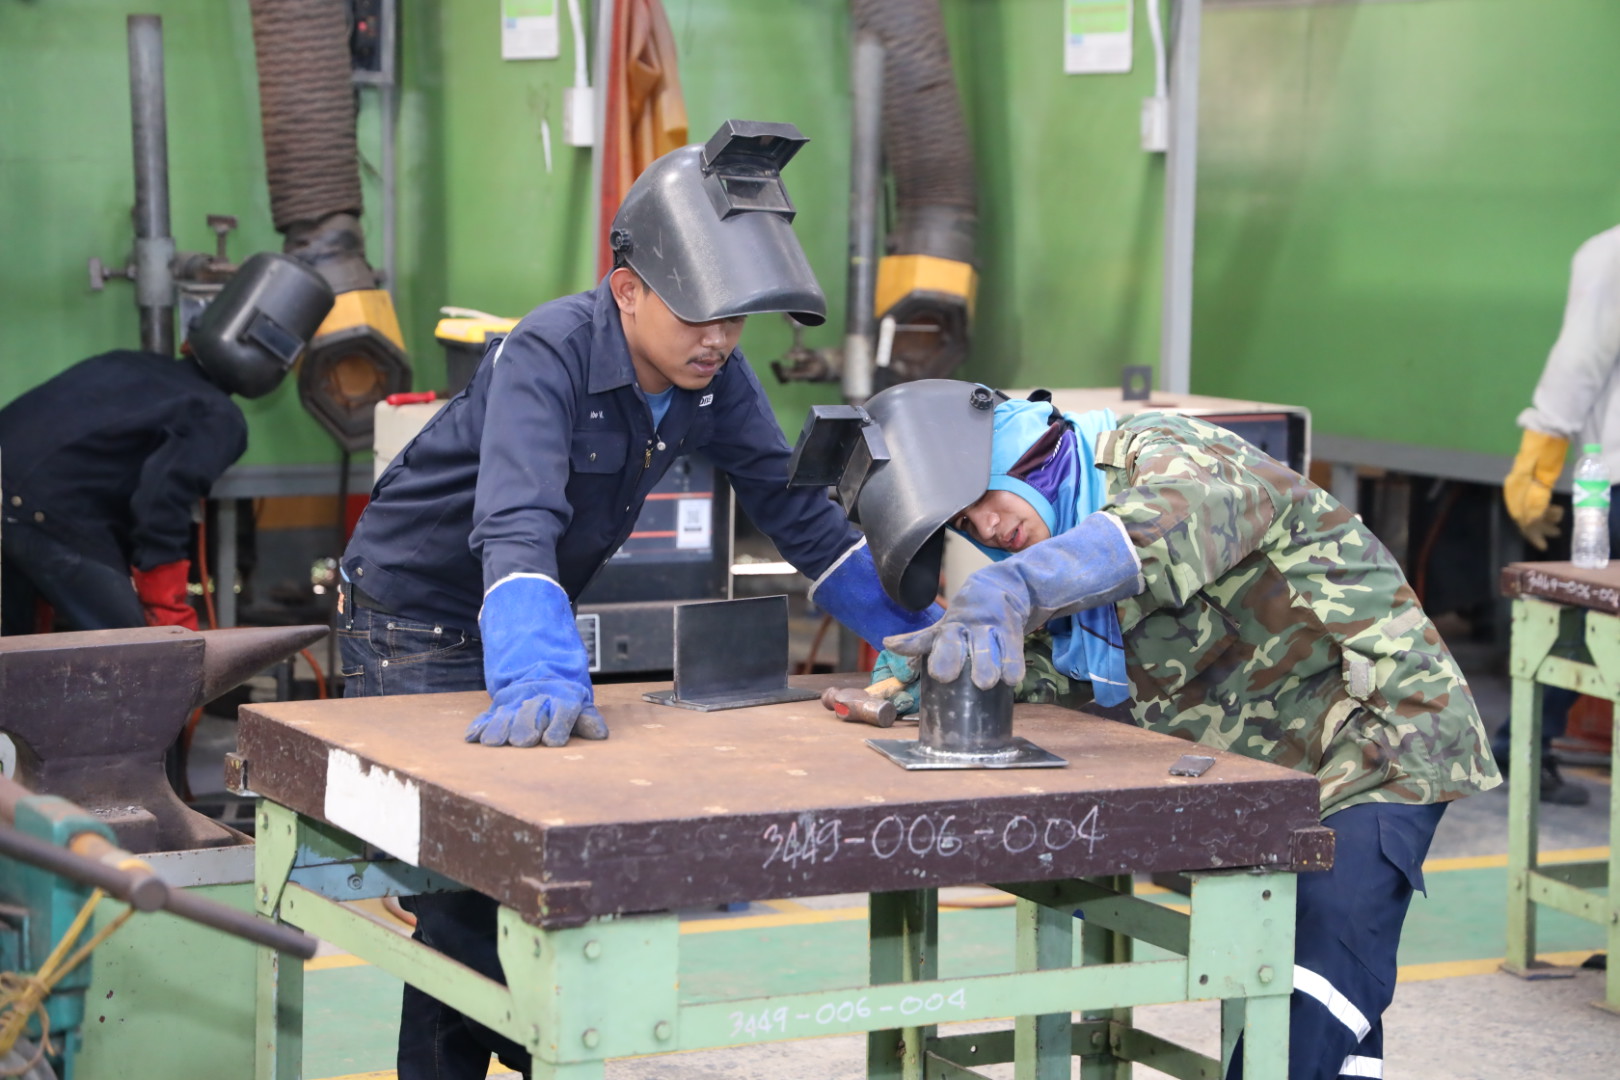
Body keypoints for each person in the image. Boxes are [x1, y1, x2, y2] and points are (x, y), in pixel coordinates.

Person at [336, 120, 940, 1080]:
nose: (719, 340)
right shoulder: (548, 351)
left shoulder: (717, 380)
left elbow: (799, 514)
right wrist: (538, 666)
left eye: (735, 319)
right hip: (412, 616)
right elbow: (518, 522)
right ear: (627, 289)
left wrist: (920, 633)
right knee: (463, 884)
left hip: (513, 614)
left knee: (510, 883)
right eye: (699, 316)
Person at [815, 379, 1500, 1080]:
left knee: (1319, 975)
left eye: (979, 500)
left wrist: (1014, 586)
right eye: (964, 526)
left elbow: (1152, 533)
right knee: (1328, 1009)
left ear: (1015, 451)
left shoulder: (1165, 454)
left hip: (1378, 742)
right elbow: (1066, 669)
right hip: (1272, 776)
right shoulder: (1068, 554)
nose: (985, 530)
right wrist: (947, 672)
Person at [0, 252, 333, 637]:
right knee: (137, 655)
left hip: (18, 496)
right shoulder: (217, 416)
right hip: (45, 512)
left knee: (17, 651)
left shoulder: (126, 362)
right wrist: (166, 602)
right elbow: (160, 502)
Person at [1500, 225, 1620, 806]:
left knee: (1582, 630)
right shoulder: (1612, 253)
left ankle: (1520, 745)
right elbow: (1579, 360)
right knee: (1581, 629)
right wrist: (1539, 459)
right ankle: (1520, 746)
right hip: (1616, 479)